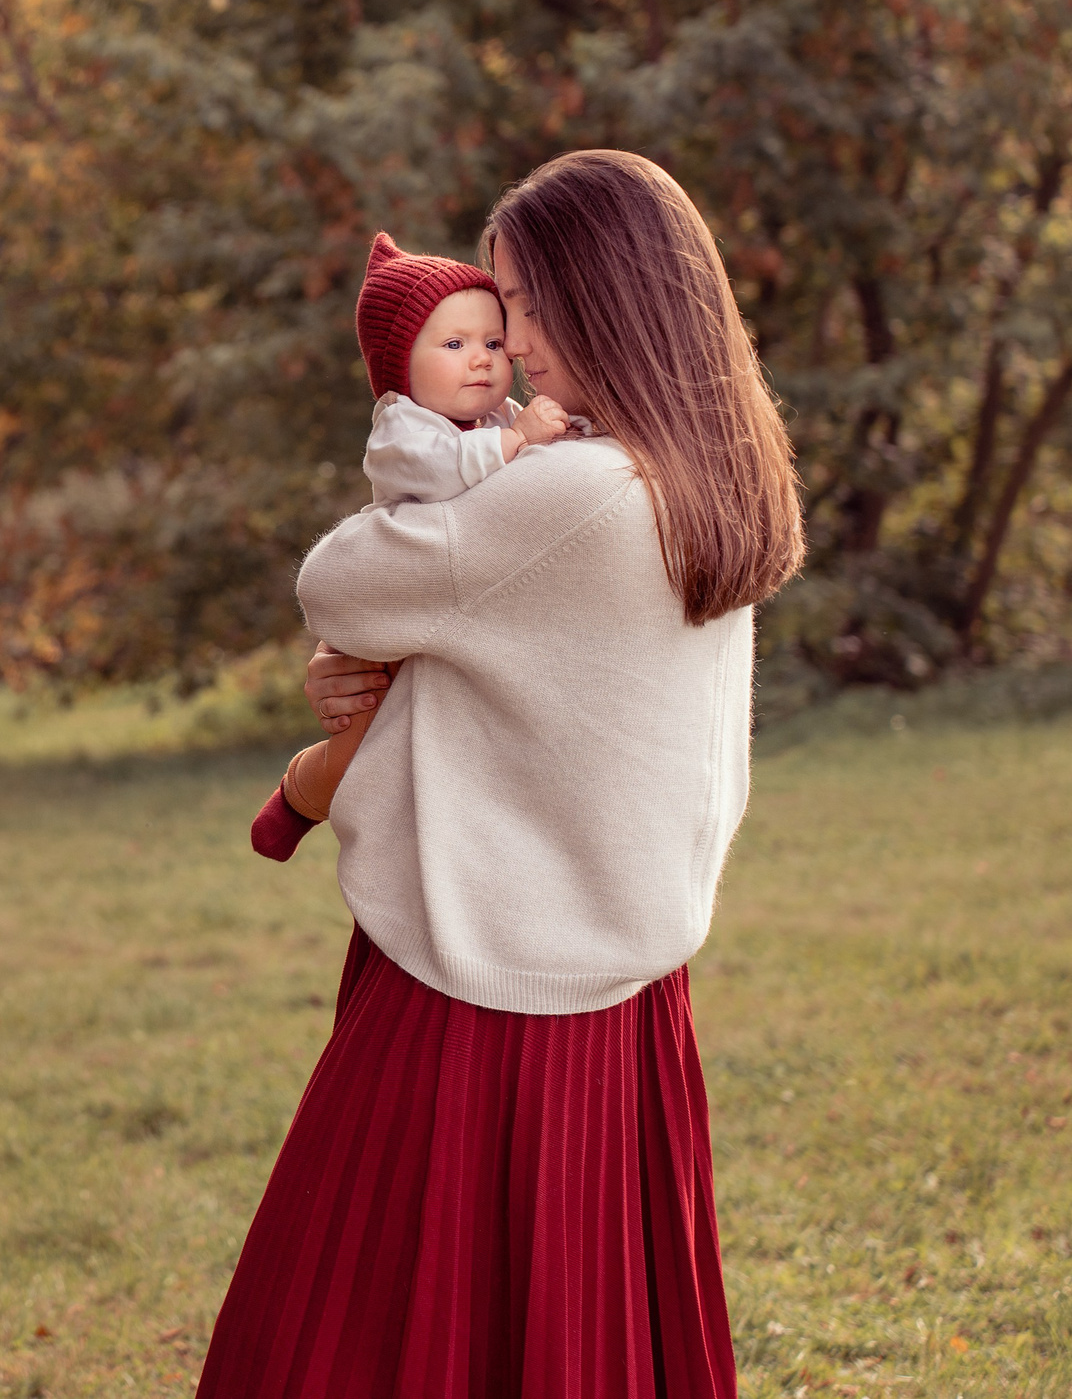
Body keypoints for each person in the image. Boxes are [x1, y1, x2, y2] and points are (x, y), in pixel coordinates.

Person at [200, 150, 805, 1399]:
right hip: (627, 988)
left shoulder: (572, 494)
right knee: (569, 1337)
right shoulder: (702, 477)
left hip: (487, 988)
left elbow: (341, 585)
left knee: (353, 1331)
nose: (510, 345)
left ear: (603, 299)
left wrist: (365, 649)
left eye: (524, 303)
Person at [260, 232, 578, 832]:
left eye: (492, 342)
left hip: (440, 599)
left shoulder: (495, 417)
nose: (483, 359)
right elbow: (441, 473)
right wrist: (519, 441)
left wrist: (550, 432)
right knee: (360, 722)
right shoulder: (401, 428)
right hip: (394, 601)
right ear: (399, 364)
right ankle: (297, 805)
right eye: (455, 344)